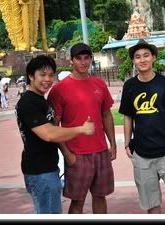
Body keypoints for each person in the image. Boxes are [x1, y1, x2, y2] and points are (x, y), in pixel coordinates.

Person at [16, 55, 95, 214]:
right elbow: (49, 133)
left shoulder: (40, 100)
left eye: (51, 75)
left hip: (46, 169)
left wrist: (66, 153)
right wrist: (81, 129)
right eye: (42, 75)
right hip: (40, 172)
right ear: (31, 76)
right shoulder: (28, 102)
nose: (47, 79)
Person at [119, 40, 165, 214]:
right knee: (151, 203)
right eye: (137, 57)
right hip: (142, 154)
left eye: (146, 55)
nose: (142, 60)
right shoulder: (130, 86)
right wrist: (127, 143)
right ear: (133, 61)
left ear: (153, 58)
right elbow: (128, 116)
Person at [47, 43, 116, 214]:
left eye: (87, 58)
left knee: (100, 197)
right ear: (71, 60)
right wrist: (66, 154)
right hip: (76, 154)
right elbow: (54, 126)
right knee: (78, 200)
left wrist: (112, 144)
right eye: (79, 58)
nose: (83, 62)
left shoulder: (99, 84)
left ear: (91, 59)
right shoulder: (59, 89)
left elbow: (106, 115)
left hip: (100, 150)